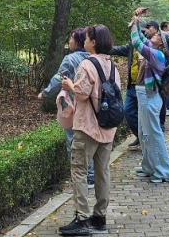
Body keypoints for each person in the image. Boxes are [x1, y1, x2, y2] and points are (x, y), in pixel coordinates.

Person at [58, 24, 118, 235]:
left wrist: (69, 86)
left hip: (88, 127)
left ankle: (82, 218)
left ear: (94, 42)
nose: (83, 42)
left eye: (86, 39)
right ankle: (99, 216)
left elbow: (82, 94)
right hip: (107, 127)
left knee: (80, 171)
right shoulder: (113, 65)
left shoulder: (86, 64)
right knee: (103, 171)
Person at [38, 28, 95, 187]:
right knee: (89, 138)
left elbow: (58, 78)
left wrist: (45, 93)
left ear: (77, 42)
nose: (69, 42)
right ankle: (92, 175)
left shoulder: (70, 59)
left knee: (73, 140)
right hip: (91, 104)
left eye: (71, 39)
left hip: (72, 105)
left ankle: (83, 176)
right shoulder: (93, 57)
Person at [130, 7, 169, 184]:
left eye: (157, 36)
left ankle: (163, 172)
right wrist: (136, 18)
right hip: (144, 95)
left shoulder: (157, 55)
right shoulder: (153, 48)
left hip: (149, 97)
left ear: (161, 43)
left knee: (154, 135)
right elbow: (141, 38)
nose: (153, 35)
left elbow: (137, 42)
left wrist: (135, 24)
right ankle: (149, 167)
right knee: (144, 134)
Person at [110, 20, 160, 152]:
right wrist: (101, 48)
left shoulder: (152, 49)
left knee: (147, 116)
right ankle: (140, 137)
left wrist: (135, 25)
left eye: (145, 31)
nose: (143, 33)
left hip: (146, 87)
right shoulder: (133, 46)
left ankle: (149, 142)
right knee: (128, 111)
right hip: (133, 86)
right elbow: (118, 49)